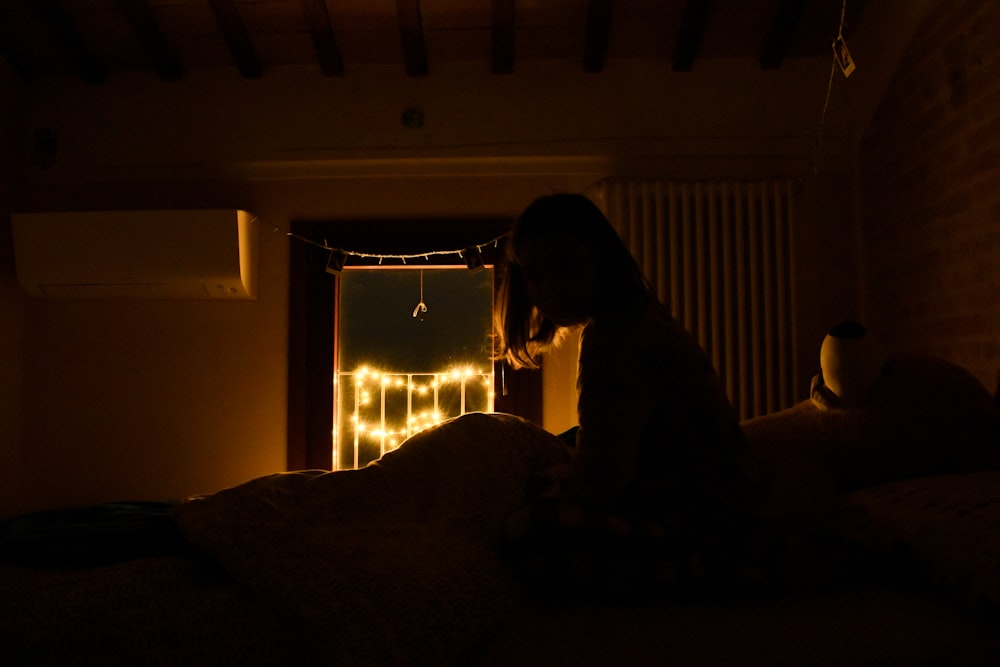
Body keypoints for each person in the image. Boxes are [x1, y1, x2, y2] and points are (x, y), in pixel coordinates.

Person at [494, 193, 762, 600]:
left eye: (566, 265)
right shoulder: (637, 319)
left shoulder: (618, 338)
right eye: (535, 274)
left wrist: (548, 489)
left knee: (525, 529)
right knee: (562, 444)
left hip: (710, 533)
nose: (550, 288)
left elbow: (603, 481)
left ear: (600, 258)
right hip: (713, 509)